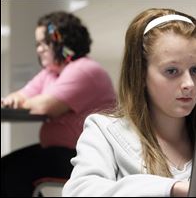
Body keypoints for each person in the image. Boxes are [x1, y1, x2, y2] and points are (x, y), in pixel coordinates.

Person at [62, 8, 196, 197]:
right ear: (140, 75)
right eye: (172, 71)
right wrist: (171, 189)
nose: (189, 84)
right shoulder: (104, 130)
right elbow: (79, 191)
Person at [1, 11, 116, 196]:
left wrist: (23, 101)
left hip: (86, 156)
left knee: (9, 173)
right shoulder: (51, 73)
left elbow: (44, 106)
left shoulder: (86, 70)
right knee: (7, 170)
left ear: (62, 41)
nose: (39, 49)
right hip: (60, 151)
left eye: (45, 42)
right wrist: (16, 99)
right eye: (37, 44)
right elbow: (21, 96)